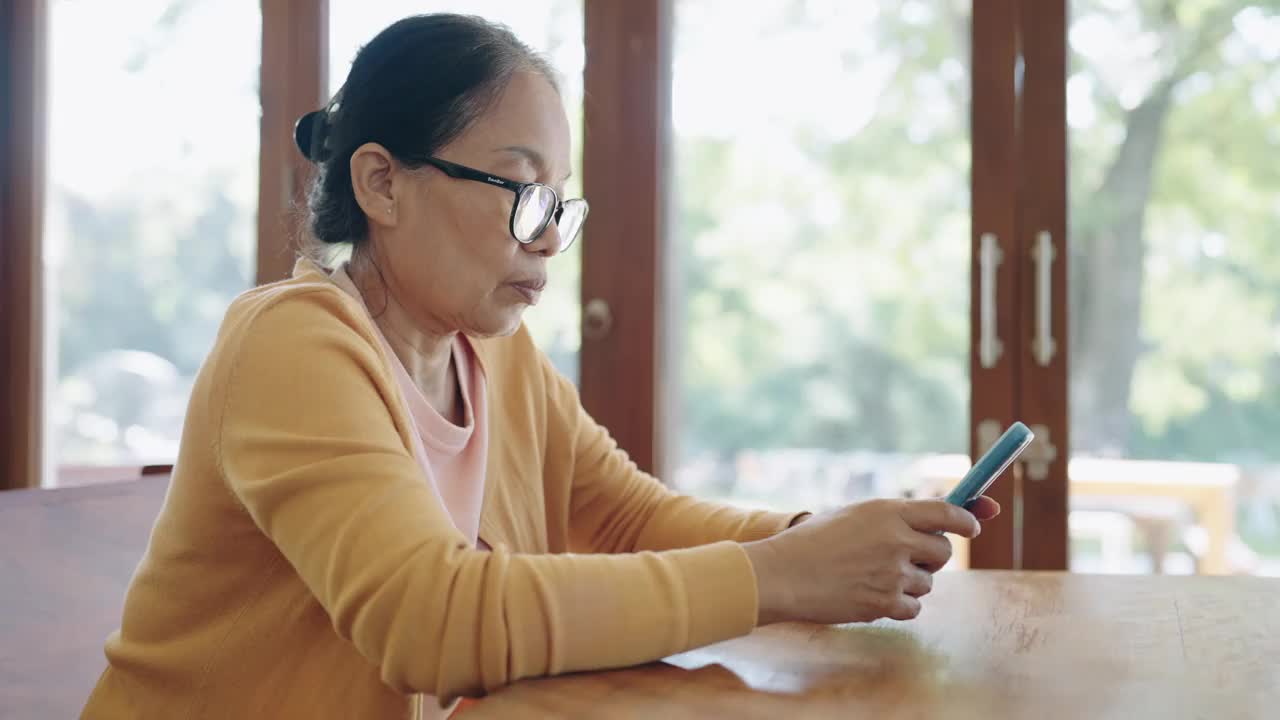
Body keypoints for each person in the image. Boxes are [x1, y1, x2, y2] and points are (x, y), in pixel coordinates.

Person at [81, 13, 998, 720]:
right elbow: (431, 618)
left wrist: (827, 539)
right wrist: (784, 574)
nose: (552, 238)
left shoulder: (492, 353)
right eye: (522, 194)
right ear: (382, 183)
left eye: (560, 202)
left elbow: (627, 516)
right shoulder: (293, 343)